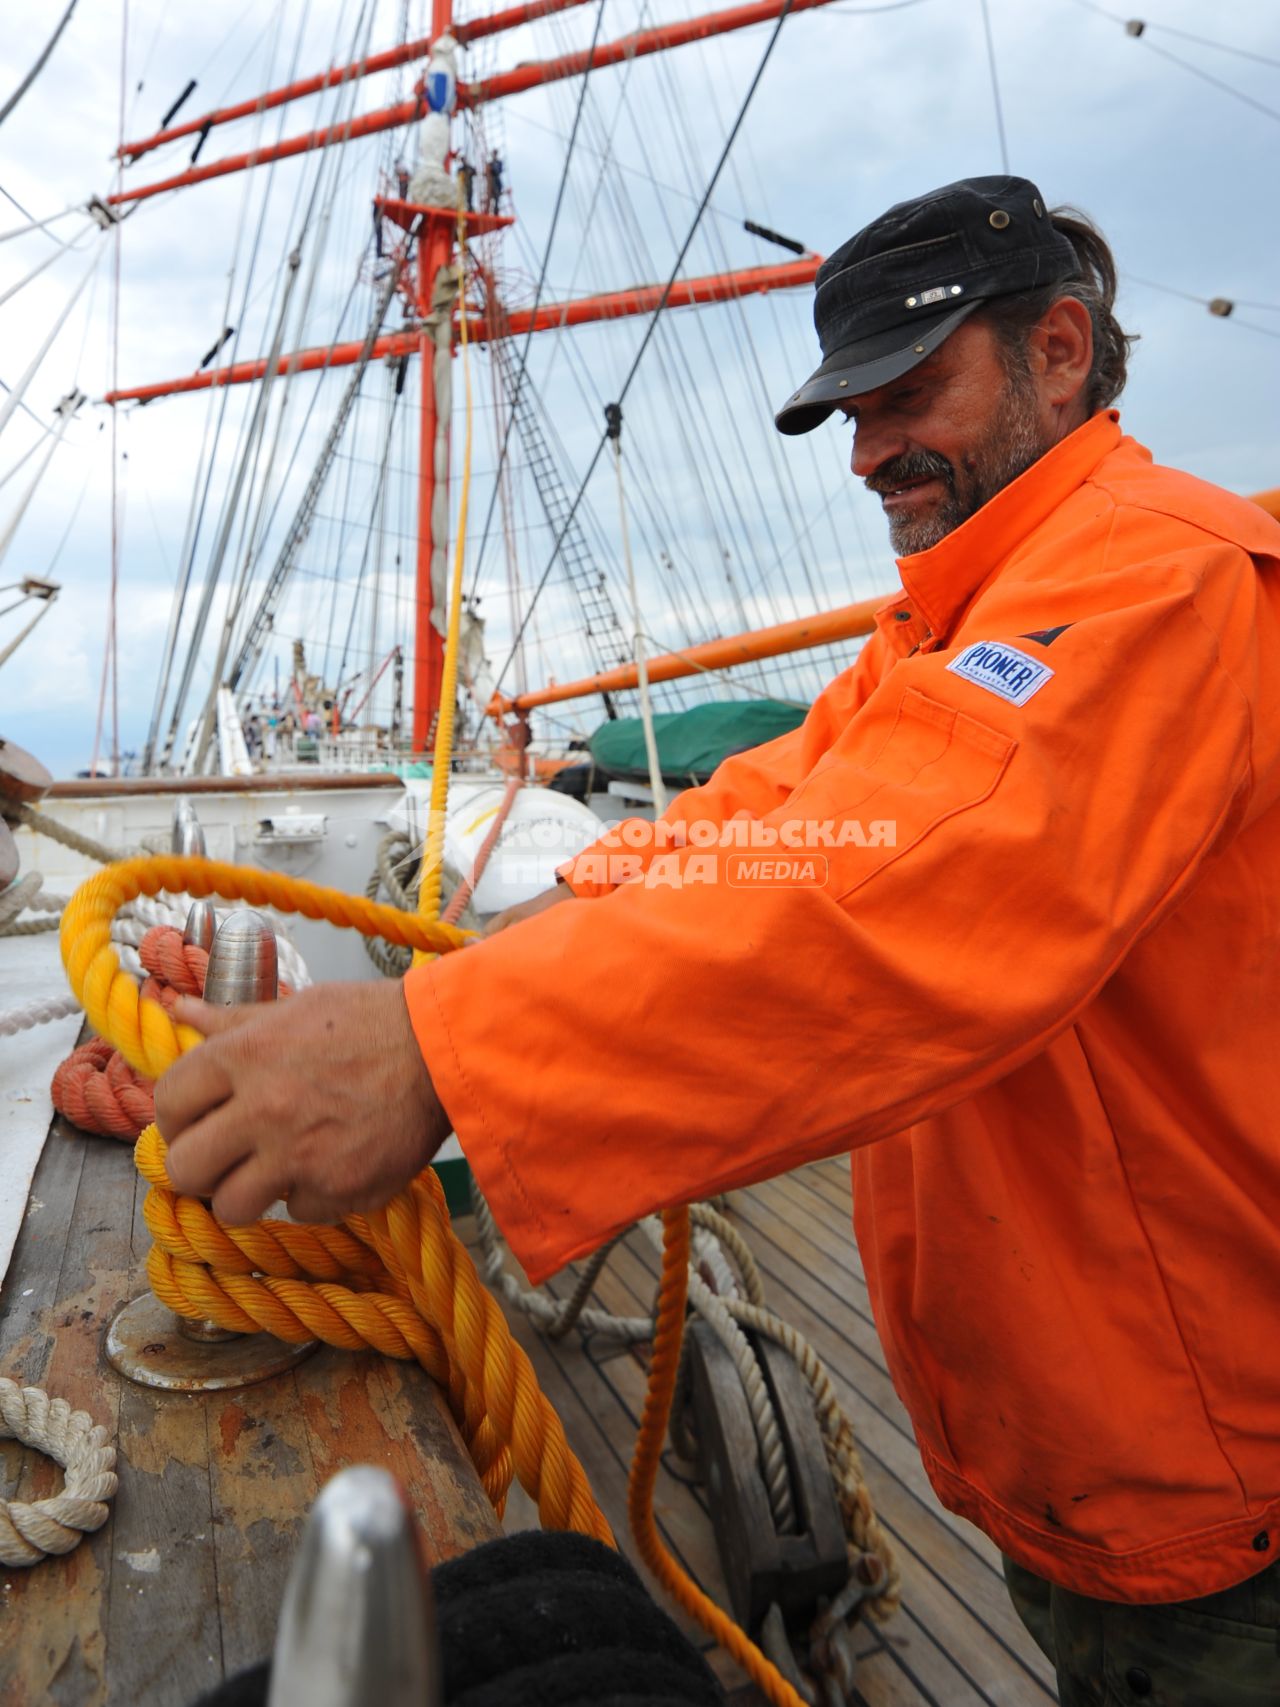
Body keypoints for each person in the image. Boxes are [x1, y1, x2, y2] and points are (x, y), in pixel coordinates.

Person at [155, 176, 1280, 1705]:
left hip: (1224, 1494)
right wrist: (436, 997)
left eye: (910, 390)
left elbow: (901, 891)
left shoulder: (1165, 577)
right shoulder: (936, 640)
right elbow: (741, 837)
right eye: (851, 411)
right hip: (1095, 1472)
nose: (875, 451)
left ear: (1061, 353)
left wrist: (436, 1060)